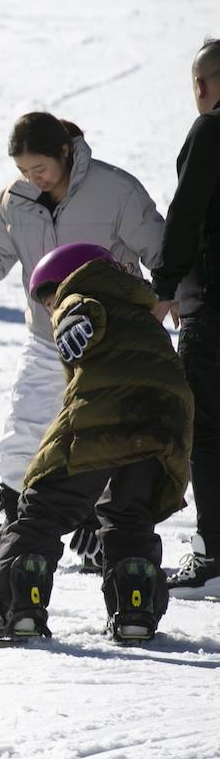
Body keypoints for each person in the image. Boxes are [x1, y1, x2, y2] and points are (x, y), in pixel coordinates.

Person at [0, 113, 166, 567]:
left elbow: (161, 248)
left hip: (109, 341)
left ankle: (107, 531)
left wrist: (169, 298)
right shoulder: (17, 200)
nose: (33, 179)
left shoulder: (114, 190)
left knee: (107, 430)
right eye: (24, 171)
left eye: (40, 169)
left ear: (66, 152)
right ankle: (15, 522)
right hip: (47, 339)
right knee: (25, 427)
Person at [0, 243, 192, 643]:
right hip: (165, 429)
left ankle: (17, 609)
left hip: (108, 417)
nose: (50, 308)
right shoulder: (137, 311)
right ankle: (135, 614)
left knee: (42, 509)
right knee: (130, 518)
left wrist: (73, 318)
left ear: (71, 277)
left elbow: (81, 308)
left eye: (50, 297)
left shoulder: (84, 296)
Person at [150, 39, 220, 598]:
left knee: (207, 432)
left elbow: (187, 210)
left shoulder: (211, 130)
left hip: (213, 311)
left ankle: (214, 554)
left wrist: (163, 285)